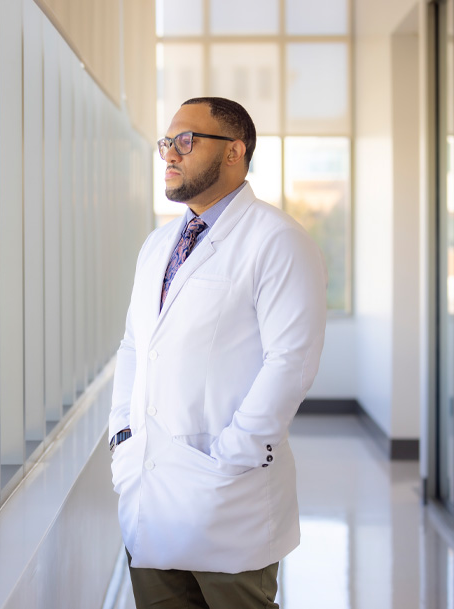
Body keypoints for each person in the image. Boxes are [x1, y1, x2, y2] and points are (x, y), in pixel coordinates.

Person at [108, 97, 327, 608]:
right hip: (151, 495)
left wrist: (232, 456)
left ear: (234, 151)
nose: (170, 153)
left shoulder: (278, 240)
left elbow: (291, 362)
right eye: (166, 142)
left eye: (185, 141)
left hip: (230, 497)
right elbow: (135, 346)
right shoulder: (157, 245)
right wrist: (122, 437)